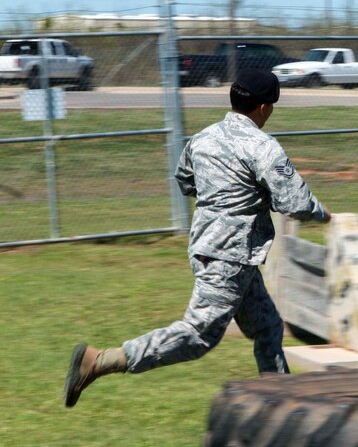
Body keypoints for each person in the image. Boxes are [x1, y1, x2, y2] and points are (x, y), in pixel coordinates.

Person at [64, 68, 332, 408]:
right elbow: (295, 202)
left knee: (267, 326)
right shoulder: (263, 146)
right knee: (197, 335)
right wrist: (323, 213)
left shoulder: (203, 138)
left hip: (214, 247)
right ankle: (101, 361)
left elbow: (185, 180)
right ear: (264, 108)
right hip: (231, 256)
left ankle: (282, 401)